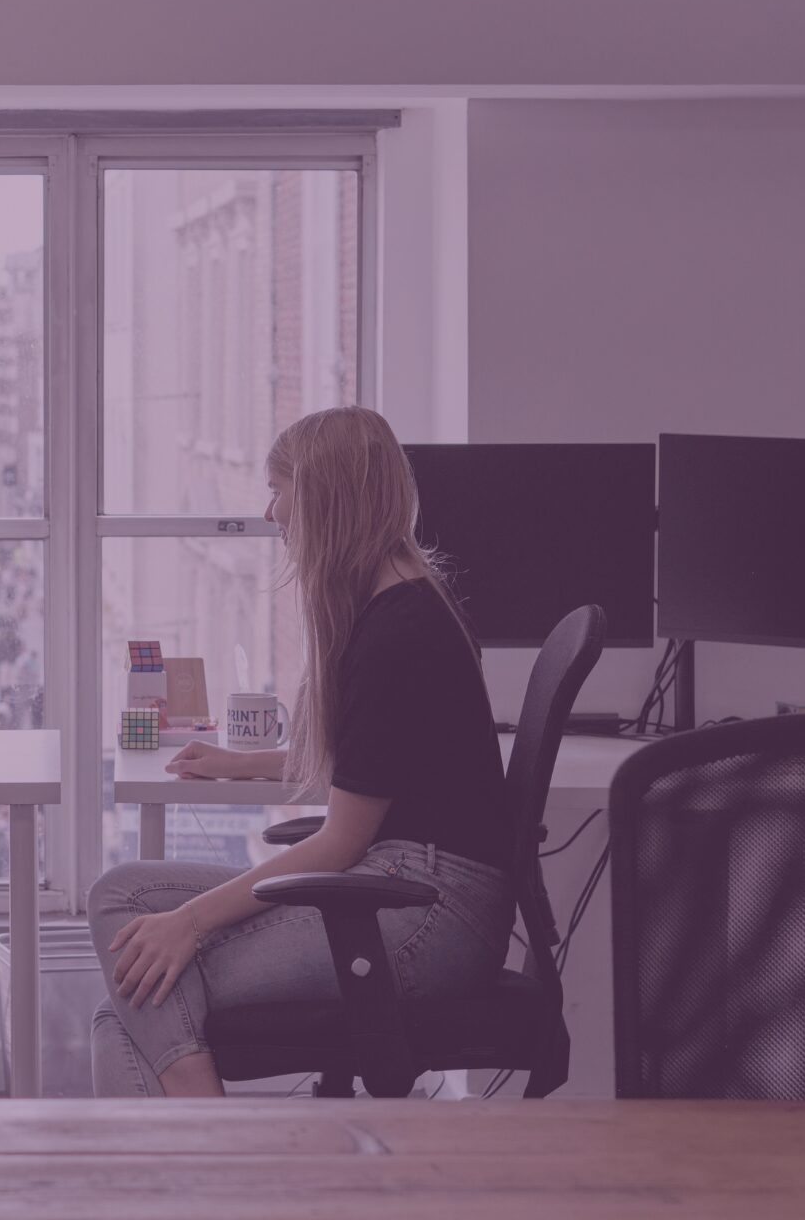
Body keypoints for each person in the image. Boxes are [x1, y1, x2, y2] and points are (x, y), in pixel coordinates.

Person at [87, 406, 515, 1098]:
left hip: (425, 912)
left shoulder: (398, 636)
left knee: (135, 993)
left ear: (324, 499)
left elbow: (338, 843)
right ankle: (201, 1123)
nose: (272, 512)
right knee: (120, 897)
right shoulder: (401, 603)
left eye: (280, 489)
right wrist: (249, 762)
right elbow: (373, 766)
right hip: (403, 883)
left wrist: (189, 925)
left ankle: (205, 1146)